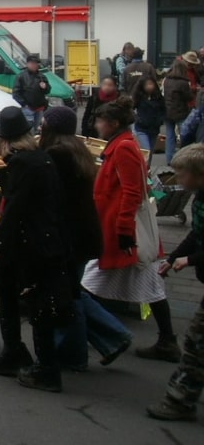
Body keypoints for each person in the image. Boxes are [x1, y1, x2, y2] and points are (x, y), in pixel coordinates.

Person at [81, 97, 180, 363]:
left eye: (100, 121)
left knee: (86, 285)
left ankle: (109, 337)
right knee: (145, 285)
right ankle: (160, 339)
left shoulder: (123, 148)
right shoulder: (123, 144)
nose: (97, 125)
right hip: (119, 230)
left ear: (112, 123)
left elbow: (132, 192)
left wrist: (125, 230)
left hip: (121, 232)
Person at [0, 106, 71, 392]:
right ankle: (20, 354)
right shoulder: (41, 158)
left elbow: (16, 209)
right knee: (29, 300)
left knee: (23, 300)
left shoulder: (22, 164)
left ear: (5, 140)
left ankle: (41, 367)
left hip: (29, 243)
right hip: (46, 239)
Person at [39, 107, 132, 371]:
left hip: (69, 236)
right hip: (82, 234)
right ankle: (114, 337)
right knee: (72, 290)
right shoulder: (76, 150)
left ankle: (73, 354)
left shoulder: (57, 155)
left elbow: (50, 198)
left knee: (67, 295)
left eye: (44, 123)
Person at [146, 143, 204, 422]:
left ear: (198, 174)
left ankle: (180, 400)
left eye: (182, 174)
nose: (179, 180)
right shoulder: (200, 196)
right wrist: (174, 257)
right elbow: (198, 234)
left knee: (196, 343)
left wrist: (190, 261)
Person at [164, 58, 194, 164]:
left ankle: (169, 158)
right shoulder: (183, 82)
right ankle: (183, 158)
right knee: (184, 134)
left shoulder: (167, 80)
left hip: (167, 111)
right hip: (181, 111)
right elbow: (188, 97)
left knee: (170, 136)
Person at [12, 54, 50, 132]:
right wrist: (24, 105)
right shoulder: (21, 76)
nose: (34, 65)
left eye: (36, 63)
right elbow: (16, 93)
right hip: (28, 108)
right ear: (27, 64)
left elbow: (48, 91)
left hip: (40, 108)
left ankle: (35, 141)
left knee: (37, 129)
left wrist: (45, 87)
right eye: (32, 63)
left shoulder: (42, 76)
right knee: (28, 129)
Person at [133, 77, 166, 152]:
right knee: (146, 150)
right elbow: (131, 108)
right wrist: (137, 119)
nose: (149, 87)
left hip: (154, 128)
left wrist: (160, 120)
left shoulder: (158, 98)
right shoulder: (138, 97)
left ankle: (147, 164)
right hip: (141, 128)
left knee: (150, 150)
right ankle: (145, 164)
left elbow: (163, 110)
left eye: (151, 84)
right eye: (147, 85)